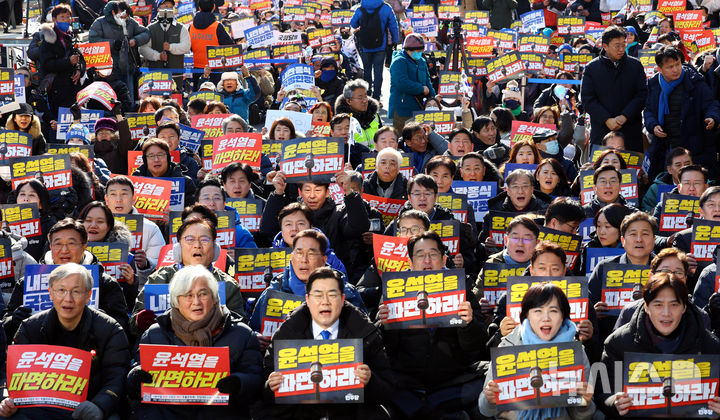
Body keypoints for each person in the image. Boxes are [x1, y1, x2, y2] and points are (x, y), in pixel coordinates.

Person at [127, 265, 263, 419]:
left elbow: (256, 382)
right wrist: (135, 377)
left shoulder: (242, 334)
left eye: (203, 294)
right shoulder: (154, 334)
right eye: (188, 295)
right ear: (176, 300)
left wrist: (239, 383)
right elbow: (133, 387)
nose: (196, 302)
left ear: (214, 297)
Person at [377, 230, 486, 419]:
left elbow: (476, 344)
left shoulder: (461, 286)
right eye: (420, 255)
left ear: (444, 260)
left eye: (433, 254)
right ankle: (434, 408)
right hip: (407, 380)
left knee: (492, 373)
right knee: (376, 377)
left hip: (452, 378)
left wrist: (468, 324)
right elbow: (387, 349)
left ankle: (427, 406)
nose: (427, 261)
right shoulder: (394, 288)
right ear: (410, 262)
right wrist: (384, 325)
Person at [0, 264, 129, 420]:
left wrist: (99, 406)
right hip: (37, 408)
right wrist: (7, 401)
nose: (68, 299)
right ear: (51, 293)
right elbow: (12, 375)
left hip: (87, 407)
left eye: (76, 291)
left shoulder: (110, 330)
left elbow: (116, 378)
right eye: (61, 291)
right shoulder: (29, 327)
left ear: (88, 295)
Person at [262, 267, 394, 419]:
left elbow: (387, 390)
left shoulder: (365, 333)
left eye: (332, 295)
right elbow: (264, 394)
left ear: (343, 299)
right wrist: (271, 386)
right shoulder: (286, 334)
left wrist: (370, 380)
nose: (325, 302)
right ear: (307, 299)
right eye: (318, 295)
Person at [598, 273, 720, 418]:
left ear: (683, 307)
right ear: (646, 307)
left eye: (674, 305)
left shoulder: (710, 346)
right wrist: (614, 402)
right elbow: (603, 392)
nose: (666, 313)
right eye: (658, 305)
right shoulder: (619, 343)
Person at [479, 282, 595, 419]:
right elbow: (485, 410)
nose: (546, 318)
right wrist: (489, 399)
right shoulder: (507, 347)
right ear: (526, 315)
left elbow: (584, 415)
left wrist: (585, 403)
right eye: (538, 311)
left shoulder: (576, 352)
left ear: (563, 316)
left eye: (553, 311)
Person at [3, 218, 129, 340]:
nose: (64, 250)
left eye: (71, 243)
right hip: (42, 353)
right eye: (58, 244)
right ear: (51, 246)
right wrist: (13, 320)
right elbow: (5, 328)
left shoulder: (105, 283)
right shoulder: (27, 282)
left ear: (84, 245)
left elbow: (122, 329)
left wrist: (103, 321)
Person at [130, 217, 247, 336]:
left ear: (215, 248)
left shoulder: (228, 285)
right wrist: (140, 322)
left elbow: (240, 326)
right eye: (189, 239)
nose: (197, 245)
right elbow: (133, 326)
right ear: (178, 248)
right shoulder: (158, 279)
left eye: (204, 239)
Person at [249, 229, 365, 334]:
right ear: (292, 257)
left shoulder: (347, 292)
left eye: (311, 254)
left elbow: (365, 336)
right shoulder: (273, 291)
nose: (304, 260)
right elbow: (255, 329)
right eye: (299, 253)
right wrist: (256, 338)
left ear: (324, 259)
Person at [644, 46, 720, 180]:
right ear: (660, 70)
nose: (675, 69)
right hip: (666, 145)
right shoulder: (654, 84)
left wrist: (712, 117)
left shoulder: (695, 80)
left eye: (678, 64)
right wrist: (653, 125)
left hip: (694, 145)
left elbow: (710, 104)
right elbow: (649, 110)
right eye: (670, 67)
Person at [588, 211, 656, 339]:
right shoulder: (604, 268)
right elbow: (587, 306)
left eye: (645, 234)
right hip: (611, 338)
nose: (639, 239)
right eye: (633, 234)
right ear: (623, 240)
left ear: (654, 239)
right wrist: (593, 313)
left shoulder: (663, 268)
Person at [581, 26, 647, 152]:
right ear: (605, 46)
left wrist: (625, 116)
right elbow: (587, 99)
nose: (622, 49)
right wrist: (606, 119)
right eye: (617, 46)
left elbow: (642, 95)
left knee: (631, 170)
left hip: (630, 129)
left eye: (624, 44)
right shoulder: (592, 68)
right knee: (602, 168)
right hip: (602, 130)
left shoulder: (635, 65)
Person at [104, 176, 166, 284]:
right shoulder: (96, 227)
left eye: (124, 194)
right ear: (106, 199)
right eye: (113, 194)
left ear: (133, 199)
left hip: (138, 291)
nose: (119, 199)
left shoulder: (150, 228)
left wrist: (145, 265)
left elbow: (162, 271)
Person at [89, 1, 150, 103]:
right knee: (109, 97)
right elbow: (93, 40)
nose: (124, 19)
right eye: (121, 16)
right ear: (113, 12)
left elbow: (146, 33)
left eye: (126, 16)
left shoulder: (130, 22)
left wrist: (135, 40)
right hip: (107, 70)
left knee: (128, 96)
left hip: (127, 66)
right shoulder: (100, 23)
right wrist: (112, 43)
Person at [38, 5, 84, 125]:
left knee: (74, 121)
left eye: (68, 17)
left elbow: (80, 58)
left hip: (72, 86)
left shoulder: (72, 35)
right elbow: (46, 64)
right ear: (54, 19)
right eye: (62, 17)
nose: (65, 20)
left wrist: (79, 70)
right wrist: (68, 62)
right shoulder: (48, 38)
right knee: (58, 123)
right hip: (56, 89)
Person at [350, 0, 400, 101]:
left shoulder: (360, 9)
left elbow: (353, 24)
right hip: (380, 45)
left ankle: (367, 94)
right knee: (378, 71)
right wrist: (395, 40)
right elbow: (393, 25)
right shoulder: (386, 8)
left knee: (367, 70)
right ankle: (376, 96)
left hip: (365, 45)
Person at [138, 0, 191, 88]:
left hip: (176, 75)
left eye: (170, 7)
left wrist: (171, 47)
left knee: (175, 98)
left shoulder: (182, 28)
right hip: (155, 76)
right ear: (158, 9)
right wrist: (158, 56)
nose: (168, 9)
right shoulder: (150, 28)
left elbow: (186, 47)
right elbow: (143, 49)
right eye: (165, 6)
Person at [389, 34, 436, 131]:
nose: (420, 53)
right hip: (402, 108)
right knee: (402, 137)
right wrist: (421, 89)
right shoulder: (399, 61)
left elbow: (427, 81)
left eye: (421, 50)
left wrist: (434, 98)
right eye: (418, 51)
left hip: (418, 108)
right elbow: (401, 83)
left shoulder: (421, 61)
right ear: (409, 50)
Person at [131, 138, 197, 206]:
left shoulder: (185, 182)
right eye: (151, 156)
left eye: (160, 155)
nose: (156, 160)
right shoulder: (134, 183)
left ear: (168, 158)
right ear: (145, 160)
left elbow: (190, 211)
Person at [194, 178, 257, 248]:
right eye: (206, 198)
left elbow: (253, 257)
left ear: (224, 204)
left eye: (217, 198)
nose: (212, 203)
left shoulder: (240, 232)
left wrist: (236, 256)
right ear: (197, 205)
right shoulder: (186, 230)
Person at [189, 0, 234, 87]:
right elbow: (229, 46)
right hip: (215, 68)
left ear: (199, 8)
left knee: (199, 95)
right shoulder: (217, 26)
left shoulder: (191, 26)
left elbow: (190, 47)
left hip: (197, 68)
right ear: (214, 7)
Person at [11, 179, 57, 261]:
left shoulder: (50, 225)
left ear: (41, 204)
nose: (26, 199)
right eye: (22, 194)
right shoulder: (5, 223)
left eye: (32, 195)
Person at [641, 147, 692, 213]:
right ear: (669, 170)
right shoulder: (656, 189)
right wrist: (651, 213)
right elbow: (644, 210)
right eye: (678, 165)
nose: (683, 168)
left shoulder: (704, 186)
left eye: (687, 164)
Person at [335, 79, 382, 148]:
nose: (365, 100)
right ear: (348, 101)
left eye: (365, 96)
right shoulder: (341, 121)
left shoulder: (374, 115)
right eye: (360, 98)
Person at [154, 121, 202, 186]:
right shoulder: (149, 159)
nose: (168, 141)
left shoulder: (190, 161)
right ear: (157, 139)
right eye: (163, 137)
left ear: (179, 139)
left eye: (171, 137)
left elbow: (193, 186)